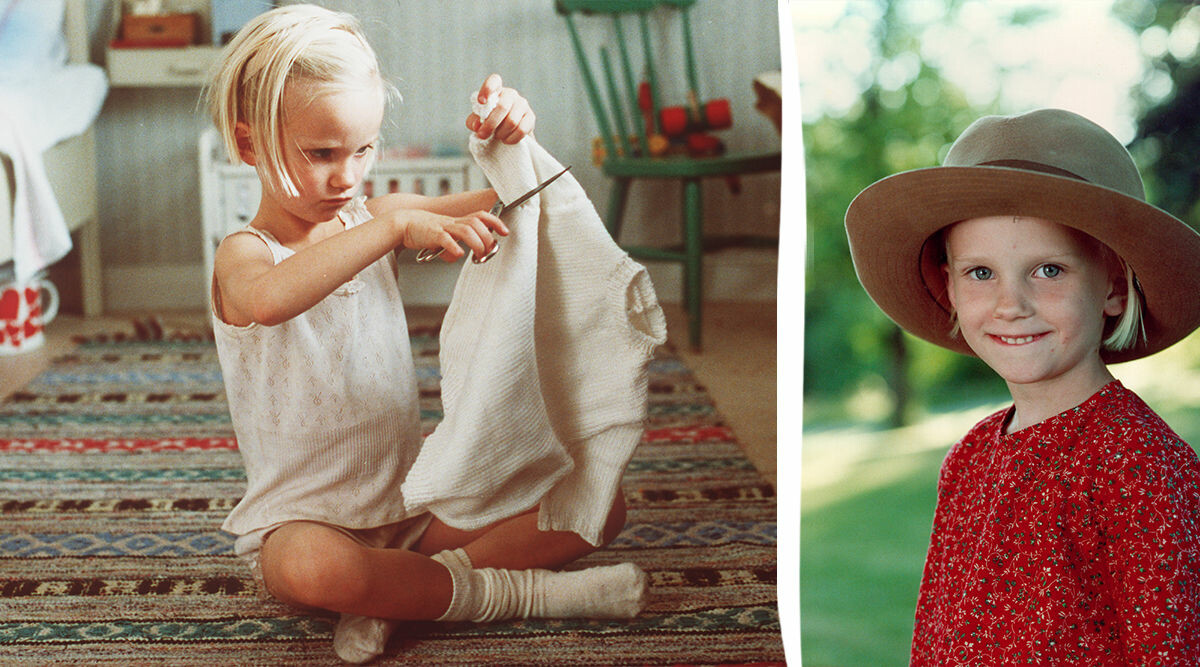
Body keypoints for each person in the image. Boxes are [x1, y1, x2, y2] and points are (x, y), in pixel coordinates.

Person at [204, 5, 643, 663]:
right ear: (249, 145)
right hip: (307, 522)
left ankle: (396, 597)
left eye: (363, 148)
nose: (348, 176)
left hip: (414, 507)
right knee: (310, 570)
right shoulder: (245, 253)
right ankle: (519, 594)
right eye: (322, 153)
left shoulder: (373, 216)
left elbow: (512, 204)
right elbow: (267, 302)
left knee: (597, 503)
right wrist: (390, 229)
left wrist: (510, 143)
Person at [844, 108, 1200, 665]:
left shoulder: (1141, 464)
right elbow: (936, 638)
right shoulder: (969, 458)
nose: (1012, 305)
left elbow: (1172, 648)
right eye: (981, 273)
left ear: (1113, 286)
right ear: (951, 288)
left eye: (1048, 270)